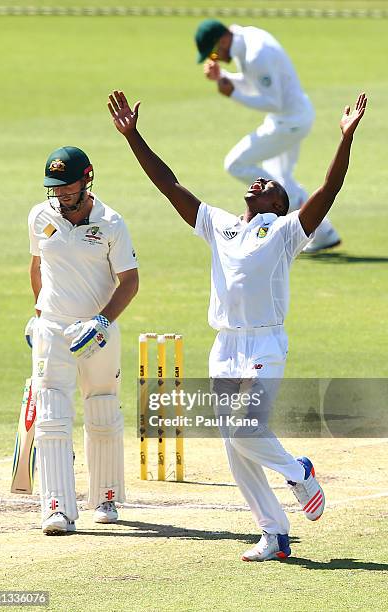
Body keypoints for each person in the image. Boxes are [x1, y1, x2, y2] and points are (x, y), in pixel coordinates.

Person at [107, 89, 366, 560]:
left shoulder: (288, 232)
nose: (261, 180)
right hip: (224, 345)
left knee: (245, 430)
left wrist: (345, 138)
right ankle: (274, 532)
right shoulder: (219, 225)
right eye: (260, 180)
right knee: (233, 445)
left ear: (281, 205)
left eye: (271, 185)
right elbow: (170, 185)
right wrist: (133, 137)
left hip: (265, 344)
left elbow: (329, 190)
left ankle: (298, 473)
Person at [27, 145, 139, 535]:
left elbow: (130, 281)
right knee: (53, 415)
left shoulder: (111, 222)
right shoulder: (40, 216)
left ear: (87, 179)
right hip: (54, 330)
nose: (60, 194)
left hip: (98, 332)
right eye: (54, 187)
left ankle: (106, 496)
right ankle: (56, 507)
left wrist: (103, 321)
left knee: (103, 410)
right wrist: (38, 315)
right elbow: (38, 266)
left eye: (67, 187)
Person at [194, 19, 340, 254]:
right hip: (291, 117)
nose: (215, 58)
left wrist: (232, 93)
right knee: (281, 177)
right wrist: (225, 77)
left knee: (236, 164)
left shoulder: (255, 54)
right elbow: (255, 83)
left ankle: (296, 205)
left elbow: (273, 102)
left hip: (288, 122)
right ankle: (323, 233)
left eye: (213, 52)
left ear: (223, 40)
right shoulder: (246, 39)